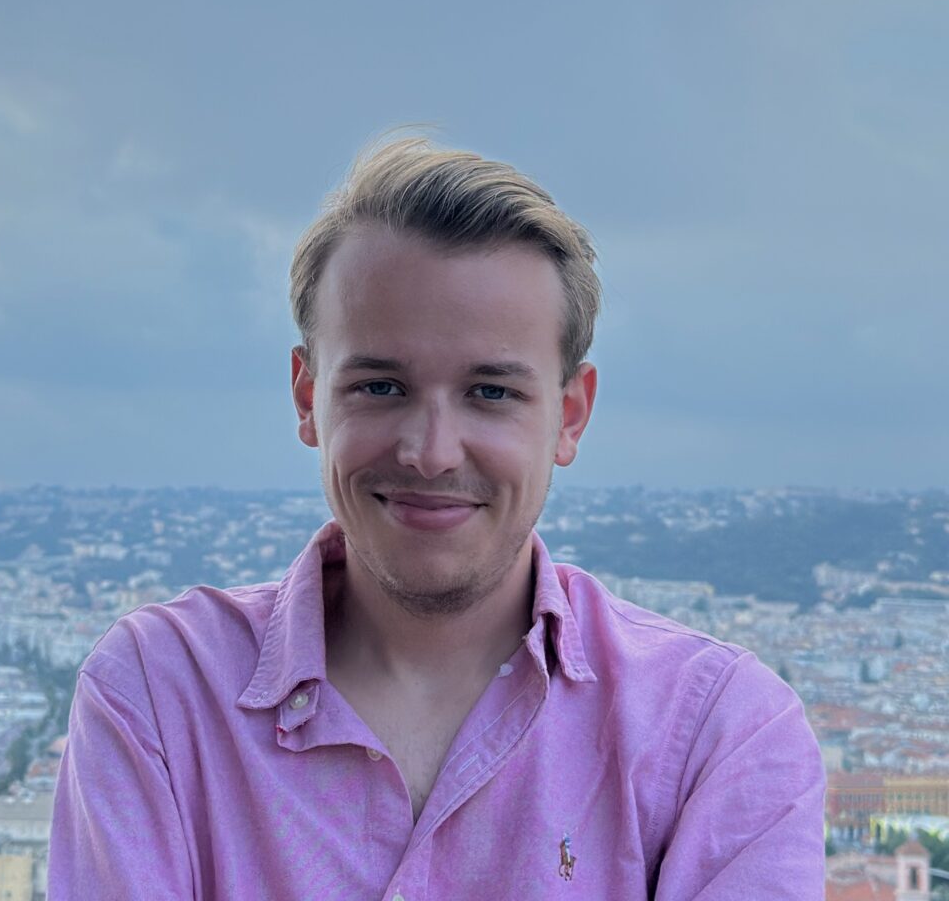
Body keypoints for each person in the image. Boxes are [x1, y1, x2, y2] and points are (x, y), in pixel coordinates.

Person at [48, 138, 825, 899]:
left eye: (491, 392)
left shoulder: (715, 732)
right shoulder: (161, 693)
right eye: (381, 387)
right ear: (307, 398)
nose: (430, 452)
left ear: (570, 417)